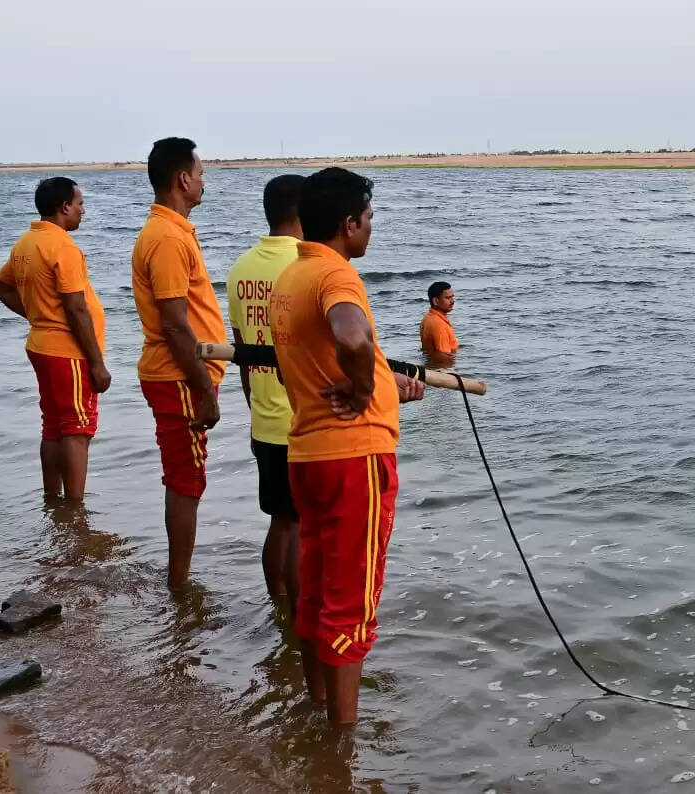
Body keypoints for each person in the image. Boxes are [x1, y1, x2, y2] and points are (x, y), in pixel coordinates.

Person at [269, 167, 424, 728]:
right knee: (351, 602)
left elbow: (305, 366)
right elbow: (352, 338)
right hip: (354, 459)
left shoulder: (291, 277)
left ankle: (316, 705)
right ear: (348, 224)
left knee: (315, 593)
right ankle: (341, 746)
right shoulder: (337, 275)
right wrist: (363, 389)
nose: (371, 228)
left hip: (308, 455)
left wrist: (382, 383)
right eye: (369, 218)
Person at [131, 137, 228, 590]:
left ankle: (179, 581)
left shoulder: (172, 231)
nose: (205, 182)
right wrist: (204, 389)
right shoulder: (167, 238)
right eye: (201, 174)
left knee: (187, 477)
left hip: (180, 374)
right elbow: (174, 324)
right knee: (186, 481)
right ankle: (180, 586)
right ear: (183, 179)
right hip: (179, 377)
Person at [0, 177, 110, 502]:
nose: (83, 210)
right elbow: (76, 307)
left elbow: (0, 287)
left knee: (54, 426)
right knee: (77, 429)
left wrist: (38, 315)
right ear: (64, 207)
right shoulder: (62, 247)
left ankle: (53, 500)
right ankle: (75, 508)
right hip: (68, 352)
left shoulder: (26, 243)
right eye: (80, 204)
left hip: (41, 346)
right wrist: (97, 364)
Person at [226, 174, 304, 617]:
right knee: (303, 525)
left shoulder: (241, 269)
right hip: (303, 419)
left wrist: (254, 412)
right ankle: (299, 619)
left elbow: (242, 353)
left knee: (281, 520)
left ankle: (278, 608)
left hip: (263, 414)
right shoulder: (307, 265)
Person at [420, 280, 458, 366]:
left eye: (452, 297)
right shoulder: (438, 324)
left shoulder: (428, 317)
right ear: (435, 301)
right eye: (448, 298)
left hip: (432, 366)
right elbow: (443, 356)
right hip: (441, 369)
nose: (452, 301)